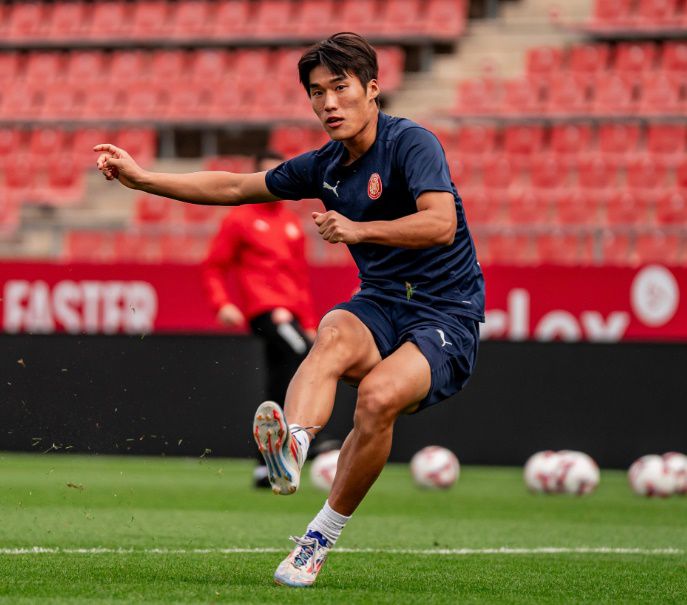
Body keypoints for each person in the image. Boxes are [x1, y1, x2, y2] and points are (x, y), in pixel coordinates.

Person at [94, 32, 484, 588]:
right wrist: (143, 179)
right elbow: (236, 187)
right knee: (332, 331)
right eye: (316, 92)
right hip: (380, 302)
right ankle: (292, 446)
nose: (328, 103)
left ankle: (318, 539)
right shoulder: (325, 165)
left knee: (377, 399)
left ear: (373, 89)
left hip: (446, 312)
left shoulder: (411, 143)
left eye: (340, 88)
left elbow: (441, 224)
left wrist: (359, 229)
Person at [201, 150, 324, 488]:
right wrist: (221, 303)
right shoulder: (240, 220)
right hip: (264, 310)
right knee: (299, 355)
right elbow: (214, 265)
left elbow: (300, 277)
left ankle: (265, 463)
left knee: (282, 374)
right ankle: (300, 438)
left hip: (291, 314)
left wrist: (309, 320)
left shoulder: (291, 224)